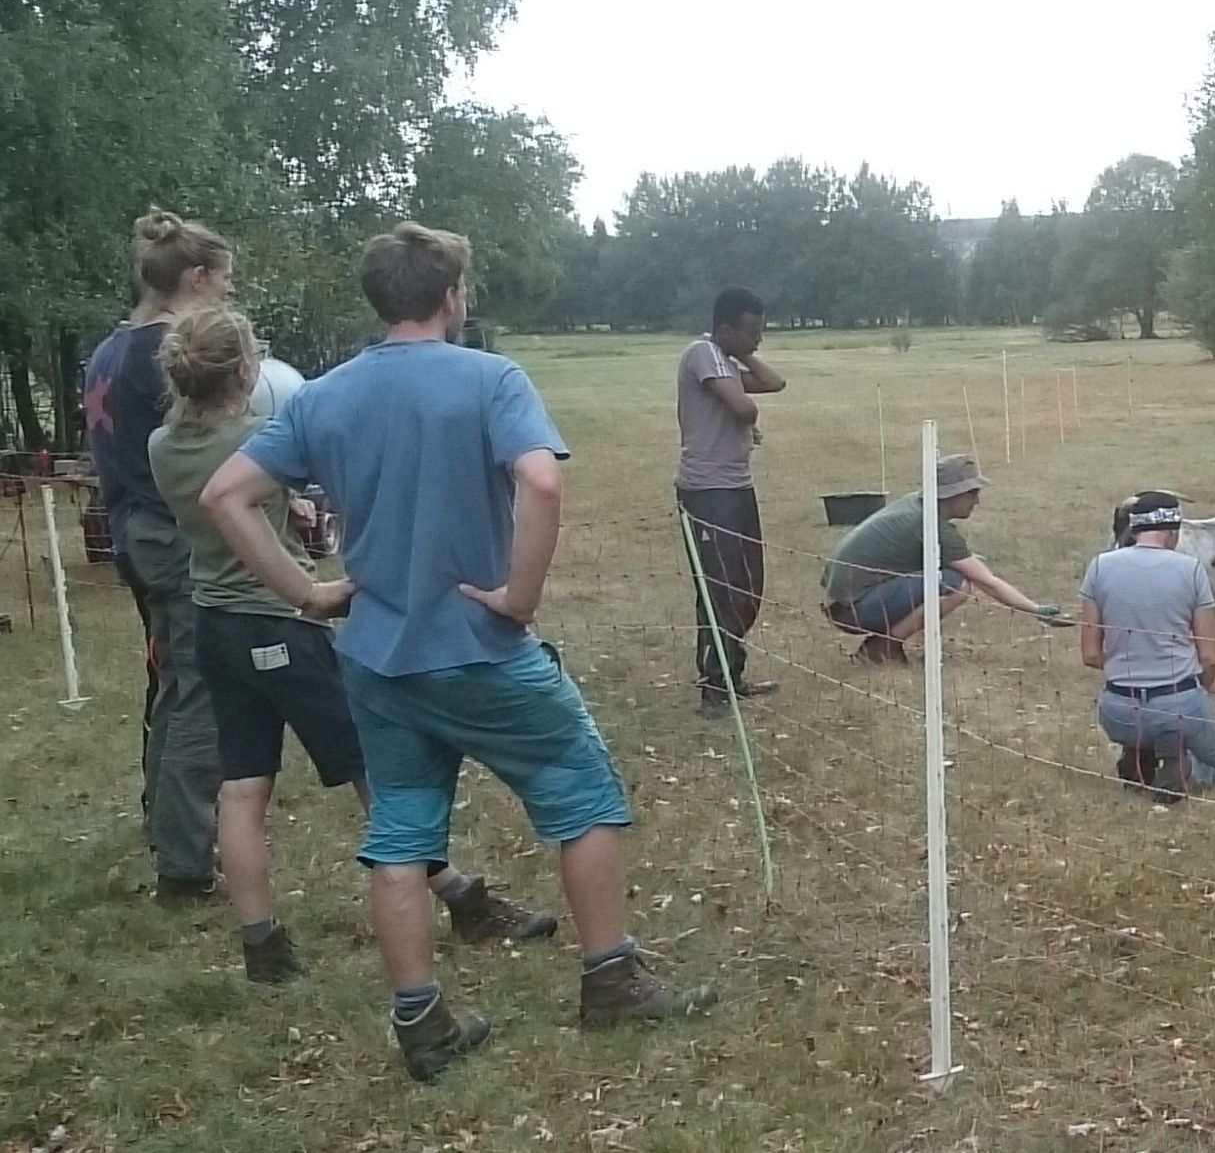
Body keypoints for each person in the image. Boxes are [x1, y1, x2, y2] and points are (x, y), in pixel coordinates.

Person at [203, 223, 710, 1082]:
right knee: (581, 792)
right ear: (450, 297)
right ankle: (611, 978)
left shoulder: (321, 398)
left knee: (400, 828)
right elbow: (541, 479)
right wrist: (518, 598)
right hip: (480, 650)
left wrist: (307, 593)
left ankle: (422, 1023)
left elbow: (225, 494)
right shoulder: (490, 379)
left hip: (377, 659)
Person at [148, 306, 558, 983]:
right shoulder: (257, 435)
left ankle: (262, 945)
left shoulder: (162, 445)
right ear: (247, 370)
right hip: (278, 623)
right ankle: (461, 896)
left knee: (242, 785)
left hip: (211, 622)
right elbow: (252, 493)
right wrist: (310, 592)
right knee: (382, 776)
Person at [83, 210, 232, 903]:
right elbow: (203, 449)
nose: (226, 296)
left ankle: (168, 827)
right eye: (223, 282)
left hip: (132, 532)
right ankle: (185, 863)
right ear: (196, 278)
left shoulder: (110, 349)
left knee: (174, 687)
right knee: (200, 694)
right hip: (174, 539)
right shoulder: (168, 352)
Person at [820, 454, 1061, 660]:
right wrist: (1036, 610)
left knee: (959, 572)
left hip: (842, 602)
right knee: (956, 584)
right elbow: (988, 582)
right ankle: (883, 648)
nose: (977, 501)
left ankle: (882, 645)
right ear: (952, 494)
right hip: (855, 610)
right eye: (972, 492)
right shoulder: (932, 524)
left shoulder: (916, 506)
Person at [676, 287, 784, 717]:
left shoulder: (723, 358)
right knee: (720, 588)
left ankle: (733, 674)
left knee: (747, 588)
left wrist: (742, 354)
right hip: (707, 490)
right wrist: (729, 357)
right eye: (752, 333)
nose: (758, 341)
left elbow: (775, 383)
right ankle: (714, 688)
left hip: (737, 486)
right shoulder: (702, 353)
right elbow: (744, 410)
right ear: (724, 329)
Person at [1077, 492, 1215, 801]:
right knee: (1211, 766)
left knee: (1143, 718)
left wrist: (1128, 665)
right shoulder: (1191, 570)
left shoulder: (1100, 566)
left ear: (1134, 529)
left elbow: (1090, 654)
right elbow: (1210, 657)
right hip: (1176, 702)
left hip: (1118, 708)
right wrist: (1202, 690)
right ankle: (1178, 759)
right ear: (1172, 531)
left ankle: (1138, 751)